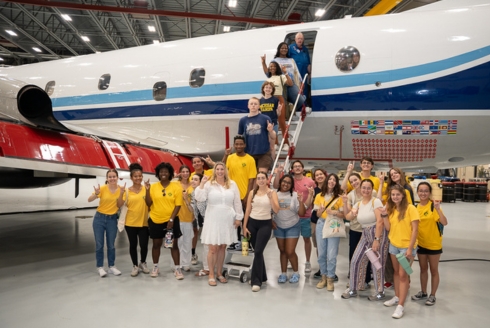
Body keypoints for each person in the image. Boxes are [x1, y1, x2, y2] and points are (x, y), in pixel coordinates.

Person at [195, 162, 243, 287]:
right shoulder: (209, 184)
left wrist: (238, 218)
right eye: (218, 169)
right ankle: (211, 274)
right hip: (213, 218)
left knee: (222, 247)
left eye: (222, 169)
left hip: (227, 218)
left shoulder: (232, 184)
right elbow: (199, 198)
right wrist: (202, 183)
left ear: (225, 171)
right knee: (212, 249)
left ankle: (219, 273)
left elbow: (237, 202)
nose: (220, 171)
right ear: (214, 171)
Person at [341, 179, 389, 301]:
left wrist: (377, 240)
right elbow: (348, 217)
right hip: (365, 233)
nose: (366, 190)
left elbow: (380, 221)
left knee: (377, 264)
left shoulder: (376, 201)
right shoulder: (358, 204)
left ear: (372, 189)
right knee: (355, 260)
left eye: (368, 188)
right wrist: (345, 203)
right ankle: (353, 288)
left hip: (377, 233)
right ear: (360, 189)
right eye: (364, 187)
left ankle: (380, 292)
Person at [381, 184, 420, 319]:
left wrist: (410, 249)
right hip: (394, 245)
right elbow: (388, 228)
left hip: (406, 247)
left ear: (403, 195)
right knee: (396, 273)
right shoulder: (392, 209)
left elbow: (415, 230)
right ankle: (397, 297)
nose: (395, 197)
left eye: (398, 194)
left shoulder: (411, 209)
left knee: (403, 275)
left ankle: (401, 306)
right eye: (393, 195)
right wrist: (384, 215)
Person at [275, 160, 316, 273]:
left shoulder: (310, 181)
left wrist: (307, 205)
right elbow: (276, 186)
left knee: (306, 239)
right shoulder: (289, 181)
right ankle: (288, 260)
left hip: (305, 215)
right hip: (290, 215)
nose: (297, 168)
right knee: (288, 247)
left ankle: (307, 261)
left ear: (303, 168)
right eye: (295, 166)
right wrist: (278, 172)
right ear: (292, 169)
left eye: (299, 166)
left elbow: (313, 196)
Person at [145, 162, 184, 280]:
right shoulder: (153, 187)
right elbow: (148, 203)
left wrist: (171, 219)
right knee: (156, 245)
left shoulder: (176, 187)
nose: (163, 173)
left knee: (173, 245)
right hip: (155, 220)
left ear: (170, 173)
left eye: (166, 171)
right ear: (158, 173)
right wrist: (147, 190)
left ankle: (177, 268)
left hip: (170, 221)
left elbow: (178, 205)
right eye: (161, 171)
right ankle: (155, 267)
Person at [411, 182, 447, 306]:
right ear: (417, 192)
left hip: (434, 244)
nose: (423, 193)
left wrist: (438, 209)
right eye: (421, 191)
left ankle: (433, 295)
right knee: (423, 269)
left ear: (429, 193)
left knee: (434, 270)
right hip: (420, 244)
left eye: (426, 191)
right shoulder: (415, 208)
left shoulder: (433, 207)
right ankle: (423, 292)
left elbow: (444, 222)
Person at [378, 167, 414, 289]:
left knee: (404, 266)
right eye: (391, 174)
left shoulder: (407, 190)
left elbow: (410, 209)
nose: (394, 175)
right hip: (393, 231)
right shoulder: (389, 190)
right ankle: (393, 281)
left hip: (404, 233)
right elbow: (382, 201)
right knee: (392, 261)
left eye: (396, 173)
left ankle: (405, 282)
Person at [342, 164, 377, 287]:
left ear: (360, 179)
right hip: (355, 228)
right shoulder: (351, 194)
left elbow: (377, 207)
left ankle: (366, 279)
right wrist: (347, 204)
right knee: (354, 254)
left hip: (369, 229)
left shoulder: (372, 192)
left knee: (368, 254)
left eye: (356, 180)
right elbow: (349, 214)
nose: (354, 183)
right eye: (352, 182)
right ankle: (354, 278)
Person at [243, 172, 280, 292]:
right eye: (258, 178)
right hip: (252, 224)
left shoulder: (272, 193)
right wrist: (244, 226)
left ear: (267, 179)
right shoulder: (252, 193)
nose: (261, 180)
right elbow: (248, 209)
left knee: (258, 251)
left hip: (265, 224)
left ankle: (256, 281)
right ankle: (262, 276)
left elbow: (276, 210)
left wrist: (270, 198)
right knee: (257, 252)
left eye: (263, 178)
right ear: (256, 181)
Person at [223, 135, 257, 248]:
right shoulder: (230, 157)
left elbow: (251, 179)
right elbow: (222, 168)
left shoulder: (250, 159)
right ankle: (234, 242)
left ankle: (247, 244)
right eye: (236, 144)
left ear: (245, 145)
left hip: (244, 196)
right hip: (231, 195)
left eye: (241, 144)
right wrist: (226, 154)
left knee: (246, 220)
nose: (238, 146)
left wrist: (248, 195)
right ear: (234, 145)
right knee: (233, 220)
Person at [116, 163, 150, 277]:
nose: (138, 178)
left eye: (140, 176)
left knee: (144, 245)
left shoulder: (146, 189)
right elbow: (119, 205)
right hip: (130, 223)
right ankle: (135, 265)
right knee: (133, 245)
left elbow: (150, 204)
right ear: (131, 178)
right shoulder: (126, 190)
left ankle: (143, 263)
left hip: (144, 222)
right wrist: (120, 194)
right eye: (135, 176)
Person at [88, 169, 123, 277]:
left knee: (111, 245)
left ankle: (112, 266)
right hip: (99, 218)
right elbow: (89, 199)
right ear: (107, 179)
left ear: (117, 178)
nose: (112, 178)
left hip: (112, 220)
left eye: (114, 176)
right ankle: (100, 267)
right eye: (110, 177)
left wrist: (121, 193)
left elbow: (119, 205)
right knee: (99, 245)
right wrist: (96, 194)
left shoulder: (121, 189)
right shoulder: (102, 188)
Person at [313, 173, 344, 291]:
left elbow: (343, 214)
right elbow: (317, 214)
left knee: (331, 254)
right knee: (321, 253)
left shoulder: (339, 197)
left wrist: (334, 212)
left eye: (334, 180)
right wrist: (320, 212)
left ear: (336, 183)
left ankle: (331, 278)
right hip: (321, 224)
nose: (332, 181)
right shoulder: (319, 196)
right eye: (330, 179)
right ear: (327, 181)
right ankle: (323, 277)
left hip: (334, 224)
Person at [274, 174, 307, 284]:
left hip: (293, 225)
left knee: (290, 251)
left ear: (291, 185)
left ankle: (296, 273)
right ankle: (283, 274)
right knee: (282, 251)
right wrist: (271, 222)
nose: (286, 184)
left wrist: (301, 201)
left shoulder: (295, 196)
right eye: (284, 181)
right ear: (280, 182)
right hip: (278, 226)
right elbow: (270, 210)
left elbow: (301, 213)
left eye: (289, 183)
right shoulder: (275, 195)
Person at [261, 43, 305, 112]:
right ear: (279, 49)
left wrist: (301, 82)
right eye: (282, 48)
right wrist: (263, 63)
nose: (284, 49)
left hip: (290, 82)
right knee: (281, 104)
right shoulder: (275, 61)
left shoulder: (291, 60)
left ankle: (291, 104)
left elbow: (296, 72)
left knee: (300, 100)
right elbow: (268, 73)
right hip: (280, 84)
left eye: (286, 48)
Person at [238, 97, 276, 173]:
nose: (253, 106)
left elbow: (273, 137)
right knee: (252, 177)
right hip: (249, 153)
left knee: (261, 175)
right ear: (248, 106)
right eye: (251, 104)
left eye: (255, 104)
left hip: (263, 152)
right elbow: (239, 137)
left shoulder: (266, 118)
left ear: (259, 106)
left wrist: (271, 131)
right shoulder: (243, 120)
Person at [262, 63, 291, 150]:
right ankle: (275, 142)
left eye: (274, 66)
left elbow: (290, 83)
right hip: (270, 100)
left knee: (282, 122)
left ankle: (286, 143)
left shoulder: (281, 76)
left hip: (279, 99)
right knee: (273, 122)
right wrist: (263, 62)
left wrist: (285, 73)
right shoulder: (268, 78)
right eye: (271, 67)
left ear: (277, 68)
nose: (272, 68)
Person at [190, 173, 209, 277]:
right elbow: (194, 209)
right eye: (192, 179)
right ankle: (207, 267)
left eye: (196, 179)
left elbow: (202, 209)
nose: (193, 181)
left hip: (208, 219)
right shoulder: (193, 193)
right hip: (201, 219)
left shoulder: (204, 192)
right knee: (206, 244)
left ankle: (208, 268)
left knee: (209, 244)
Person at [177, 165, 194, 272]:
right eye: (183, 171)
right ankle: (177, 263)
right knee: (178, 242)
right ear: (180, 173)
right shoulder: (175, 185)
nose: (185, 173)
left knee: (187, 242)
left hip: (189, 217)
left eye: (187, 171)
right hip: (178, 217)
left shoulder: (193, 185)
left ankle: (186, 263)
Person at [310, 168, 327, 279]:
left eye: (321, 174)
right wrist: (311, 195)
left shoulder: (331, 189)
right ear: (314, 178)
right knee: (319, 246)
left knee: (329, 246)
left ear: (325, 175)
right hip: (315, 221)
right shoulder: (314, 190)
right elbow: (311, 206)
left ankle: (328, 270)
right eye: (317, 175)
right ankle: (321, 268)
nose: (319, 176)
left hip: (329, 220)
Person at [288, 32, 311, 103]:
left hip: (304, 74)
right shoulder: (291, 48)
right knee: (296, 91)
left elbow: (308, 63)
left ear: (303, 40)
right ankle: (297, 107)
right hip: (294, 75)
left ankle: (304, 106)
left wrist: (310, 74)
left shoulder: (305, 50)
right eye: (298, 38)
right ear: (295, 39)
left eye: (301, 39)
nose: (299, 40)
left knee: (304, 90)